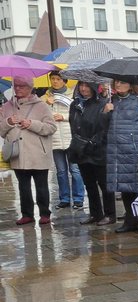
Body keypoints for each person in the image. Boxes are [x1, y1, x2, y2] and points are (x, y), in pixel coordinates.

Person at [1, 76, 57, 225]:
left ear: (30, 88)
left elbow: (51, 127)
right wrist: (8, 122)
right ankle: (27, 214)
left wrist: (32, 124)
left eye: (22, 86)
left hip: (38, 152)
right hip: (17, 153)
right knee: (23, 186)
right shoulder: (7, 106)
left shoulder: (41, 105)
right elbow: (1, 131)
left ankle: (45, 213)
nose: (18, 89)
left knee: (41, 186)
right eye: (16, 86)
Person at [70, 82, 116, 225]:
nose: (83, 89)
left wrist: (93, 142)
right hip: (81, 149)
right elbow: (73, 124)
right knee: (89, 184)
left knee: (104, 184)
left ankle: (110, 214)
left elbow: (104, 128)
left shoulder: (102, 104)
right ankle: (95, 213)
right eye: (81, 86)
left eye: (87, 86)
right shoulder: (75, 105)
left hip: (98, 149)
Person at [105, 80, 138, 233]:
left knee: (136, 186)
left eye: (122, 82)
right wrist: (105, 112)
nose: (118, 85)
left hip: (133, 149)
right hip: (116, 151)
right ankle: (131, 219)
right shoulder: (111, 101)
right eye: (116, 82)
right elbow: (102, 125)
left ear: (131, 84)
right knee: (123, 186)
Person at [45, 71, 84, 209]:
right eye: (53, 79)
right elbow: (43, 116)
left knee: (75, 170)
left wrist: (63, 117)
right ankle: (64, 199)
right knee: (61, 171)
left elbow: (78, 115)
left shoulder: (73, 95)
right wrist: (47, 104)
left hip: (70, 137)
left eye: (58, 79)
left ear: (64, 81)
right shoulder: (46, 96)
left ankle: (79, 198)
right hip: (55, 138)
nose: (55, 81)